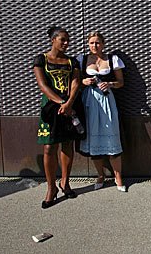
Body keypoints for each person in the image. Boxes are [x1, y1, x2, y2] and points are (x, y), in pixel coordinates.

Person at [34, 26, 82, 208]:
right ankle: (51, 188)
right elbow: (42, 84)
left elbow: (76, 81)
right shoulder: (42, 59)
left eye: (68, 40)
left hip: (69, 107)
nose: (66, 43)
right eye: (63, 39)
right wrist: (60, 102)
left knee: (68, 144)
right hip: (50, 108)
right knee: (48, 147)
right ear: (53, 40)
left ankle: (65, 182)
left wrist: (69, 103)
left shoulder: (72, 62)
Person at [77, 31, 126, 192]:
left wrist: (110, 84)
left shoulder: (112, 59)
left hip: (107, 101)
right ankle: (100, 175)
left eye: (97, 42)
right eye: (91, 43)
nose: (94, 46)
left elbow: (121, 82)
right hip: (90, 101)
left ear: (103, 44)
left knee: (111, 134)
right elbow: (75, 81)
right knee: (93, 136)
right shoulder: (82, 60)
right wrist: (83, 81)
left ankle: (118, 176)